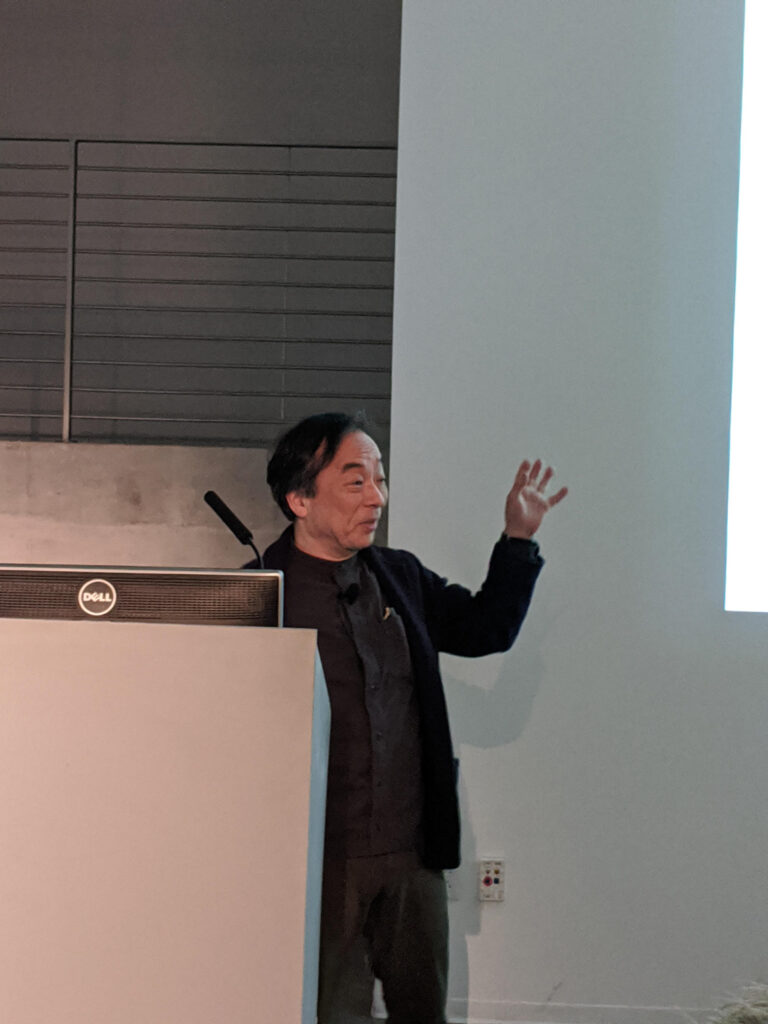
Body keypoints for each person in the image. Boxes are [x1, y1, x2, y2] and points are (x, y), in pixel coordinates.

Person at [258, 411, 567, 1024]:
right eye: (355, 482)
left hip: (410, 856)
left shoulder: (398, 577)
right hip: (318, 861)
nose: (377, 497)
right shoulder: (262, 596)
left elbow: (485, 629)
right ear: (299, 498)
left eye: (380, 479)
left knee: (423, 1011)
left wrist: (517, 540)